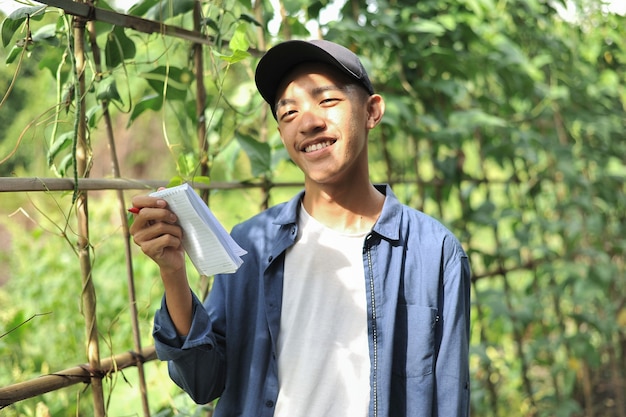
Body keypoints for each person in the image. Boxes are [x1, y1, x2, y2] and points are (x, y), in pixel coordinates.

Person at [130, 39, 471, 417]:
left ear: (372, 111)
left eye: (327, 102)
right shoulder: (251, 244)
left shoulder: (434, 252)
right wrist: (173, 271)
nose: (308, 122)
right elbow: (202, 382)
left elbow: (449, 397)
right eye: (288, 113)